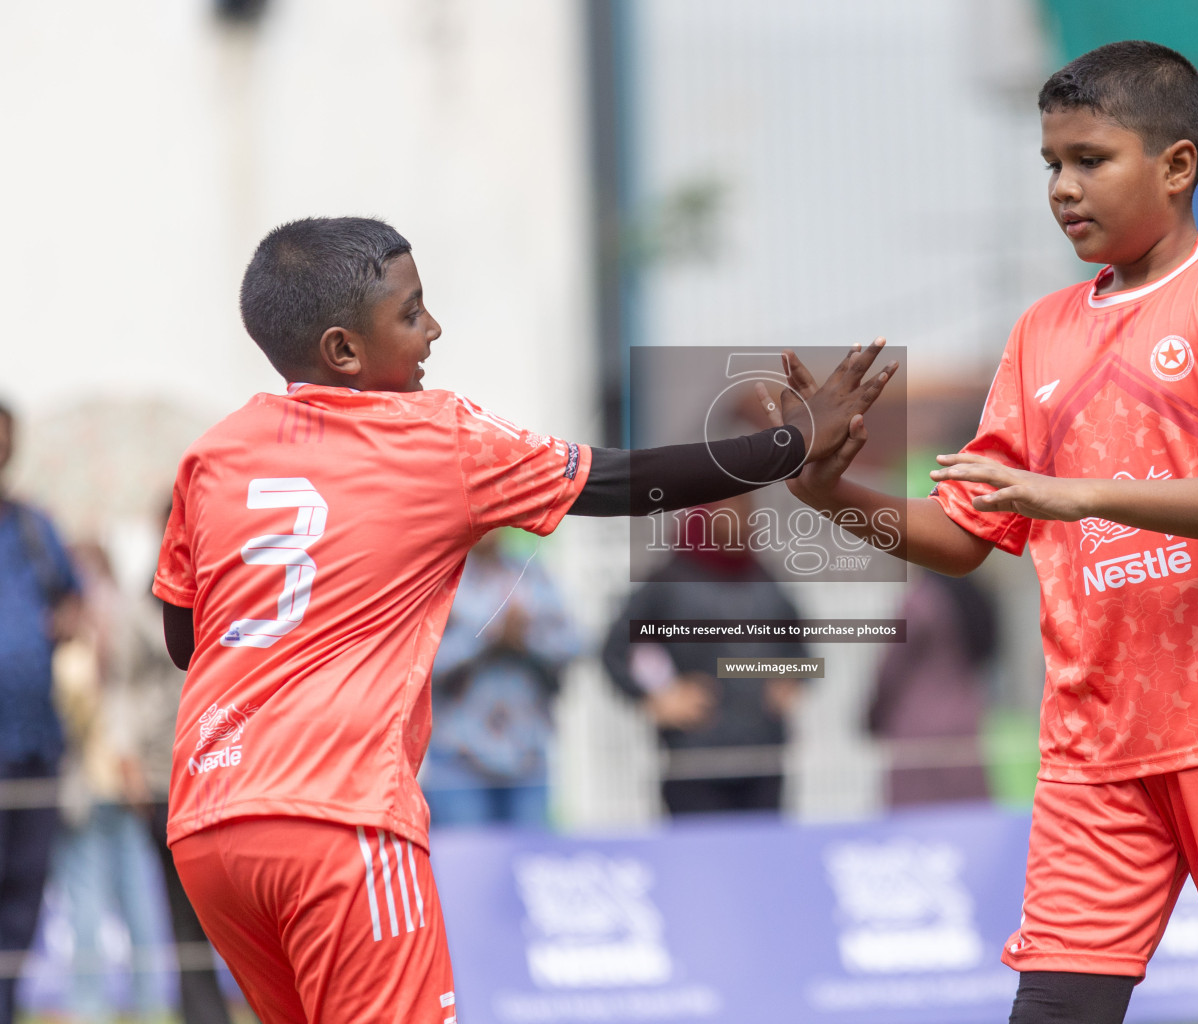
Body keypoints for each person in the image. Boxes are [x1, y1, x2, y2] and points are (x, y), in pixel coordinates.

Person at [153, 216, 896, 1022]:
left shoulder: (214, 455)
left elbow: (186, 641)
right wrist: (792, 443)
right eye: (411, 313)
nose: (433, 329)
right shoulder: (434, 436)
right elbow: (618, 481)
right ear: (343, 351)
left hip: (208, 822)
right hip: (338, 821)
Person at [776, 41, 1198, 1024]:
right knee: (1052, 1009)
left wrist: (1077, 496)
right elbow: (967, 533)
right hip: (1095, 743)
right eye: (1051, 162)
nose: (1061, 186)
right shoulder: (1040, 332)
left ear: (1176, 166)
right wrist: (830, 493)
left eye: (1091, 159)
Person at [601, 493, 809, 816]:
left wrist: (789, 680)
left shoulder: (766, 581)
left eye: (746, 510)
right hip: (694, 760)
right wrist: (659, 697)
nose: (739, 519)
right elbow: (615, 650)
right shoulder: (668, 582)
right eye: (729, 509)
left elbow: (801, 649)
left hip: (762, 756)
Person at [119, 504, 234, 1024]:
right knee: (182, 912)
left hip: (226, 768)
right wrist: (128, 759)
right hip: (166, 771)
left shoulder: (237, 588)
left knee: (236, 909)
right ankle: (204, 1015)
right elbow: (123, 687)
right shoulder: (141, 605)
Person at [51, 541, 163, 1023]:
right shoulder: (86, 643)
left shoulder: (97, 644)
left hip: (113, 786)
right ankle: (108, 1007)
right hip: (99, 791)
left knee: (128, 903)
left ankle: (142, 1005)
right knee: (96, 908)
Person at [0, 401, 80, 1024]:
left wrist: (60, 626)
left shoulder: (33, 528)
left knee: (25, 888)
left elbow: (74, 602)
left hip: (36, 744)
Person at [425, 530, 580, 828]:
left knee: (529, 866)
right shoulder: (441, 579)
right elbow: (422, 664)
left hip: (527, 756)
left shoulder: (531, 572)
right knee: (467, 868)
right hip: (459, 759)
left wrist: (528, 639)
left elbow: (574, 643)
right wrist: (488, 638)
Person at [866, 570, 997, 807]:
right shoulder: (970, 597)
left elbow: (892, 667)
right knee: (967, 817)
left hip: (917, 731)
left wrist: (872, 715)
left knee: (917, 824)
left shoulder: (920, 602)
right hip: (964, 722)